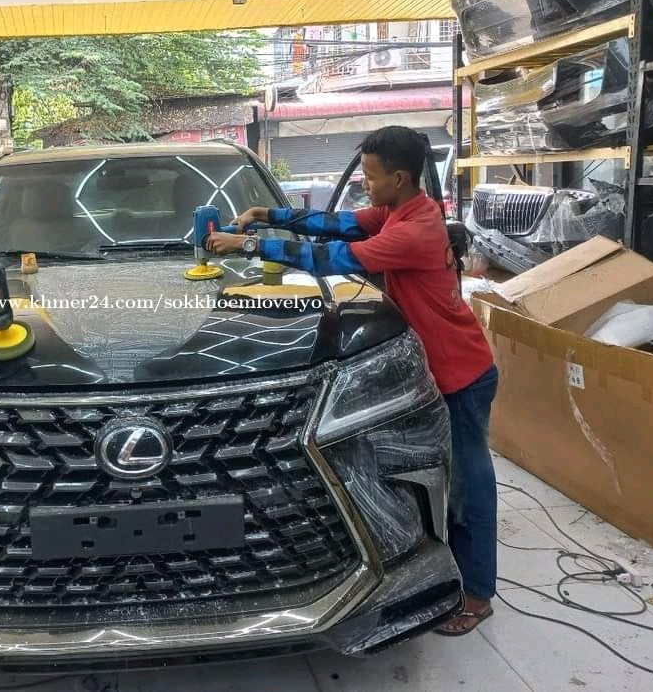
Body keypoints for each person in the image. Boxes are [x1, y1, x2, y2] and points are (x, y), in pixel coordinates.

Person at [207, 125, 499, 638]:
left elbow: (331, 258)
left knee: (468, 486)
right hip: (436, 369)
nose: (364, 183)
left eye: (370, 175)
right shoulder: (398, 211)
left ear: (400, 179)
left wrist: (246, 244)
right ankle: (440, 565)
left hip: (461, 373)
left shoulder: (413, 231)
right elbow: (337, 224)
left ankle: (477, 595)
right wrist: (267, 214)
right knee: (438, 477)